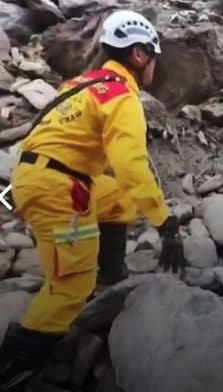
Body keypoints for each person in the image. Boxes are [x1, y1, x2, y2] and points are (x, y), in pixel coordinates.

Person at [0, 10, 184, 391]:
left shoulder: (82, 84)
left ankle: (110, 275)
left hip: (38, 177)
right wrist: (165, 223)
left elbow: (117, 178)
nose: (155, 65)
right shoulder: (120, 97)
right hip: (59, 189)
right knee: (69, 288)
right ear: (138, 55)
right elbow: (131, 165)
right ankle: (15, 367)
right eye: (154, 55)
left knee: (115, 195)